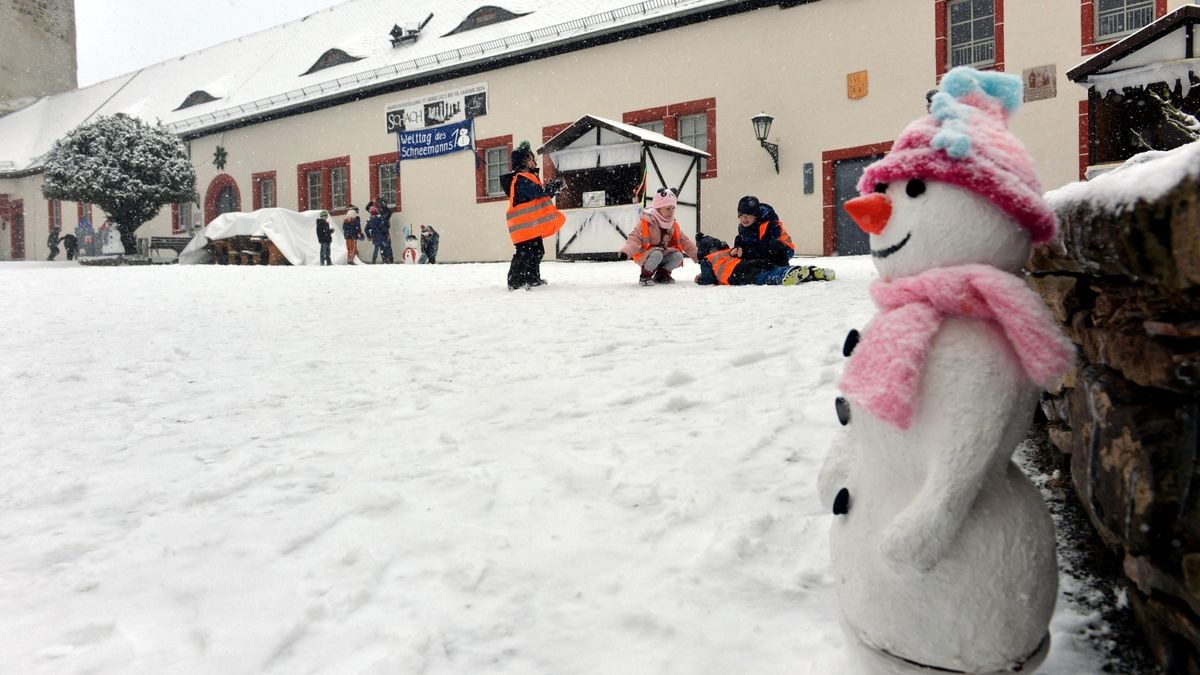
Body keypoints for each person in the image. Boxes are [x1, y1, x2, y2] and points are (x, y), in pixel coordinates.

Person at [502, 140, 565, 290]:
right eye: (529, 159)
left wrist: (552, 189)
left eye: (532, 159)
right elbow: (537, 192)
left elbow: (539, 196)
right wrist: (552, 187)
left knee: (537, 252)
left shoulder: (529, 177)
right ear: (522, 163)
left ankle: (532, 278)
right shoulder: (520, 179)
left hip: (531, 226)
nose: (533, 162)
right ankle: (515, 281)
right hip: (523, 227)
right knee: (524, 253)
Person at [619, 187, 698, 286]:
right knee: (657, 254)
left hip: (662, 254)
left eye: (673, 208)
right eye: (668, 208)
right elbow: (634, 239)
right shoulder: (646, 223)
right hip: (647, 256)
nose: (671, 211)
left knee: (678, 256)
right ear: (658, 209)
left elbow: (685, 241)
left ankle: (661, 275)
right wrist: (626, 252)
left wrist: (698, 256)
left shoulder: (672, 225)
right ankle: (645, 276)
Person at [694, 232, 834, 286]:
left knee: (760, 276)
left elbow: (708, 280)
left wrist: (700, 279)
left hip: (736, 274)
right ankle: (811, 272)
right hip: (747, 262)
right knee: (770, 266)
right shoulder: (727, 251)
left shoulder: (708, 259)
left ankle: (783, 275)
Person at [732, 195, 795, 268]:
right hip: (760, 249)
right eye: (741, 215)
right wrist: (738, 248)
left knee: (774, 246)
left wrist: (745, 252)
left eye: (748, 215)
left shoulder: (771, 224)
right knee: (739, 239)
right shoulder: (742, 227)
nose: (744, 219)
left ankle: (783, 269)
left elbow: (764, 247)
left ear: (755, 216)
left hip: (784, 248)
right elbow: (744, 241)